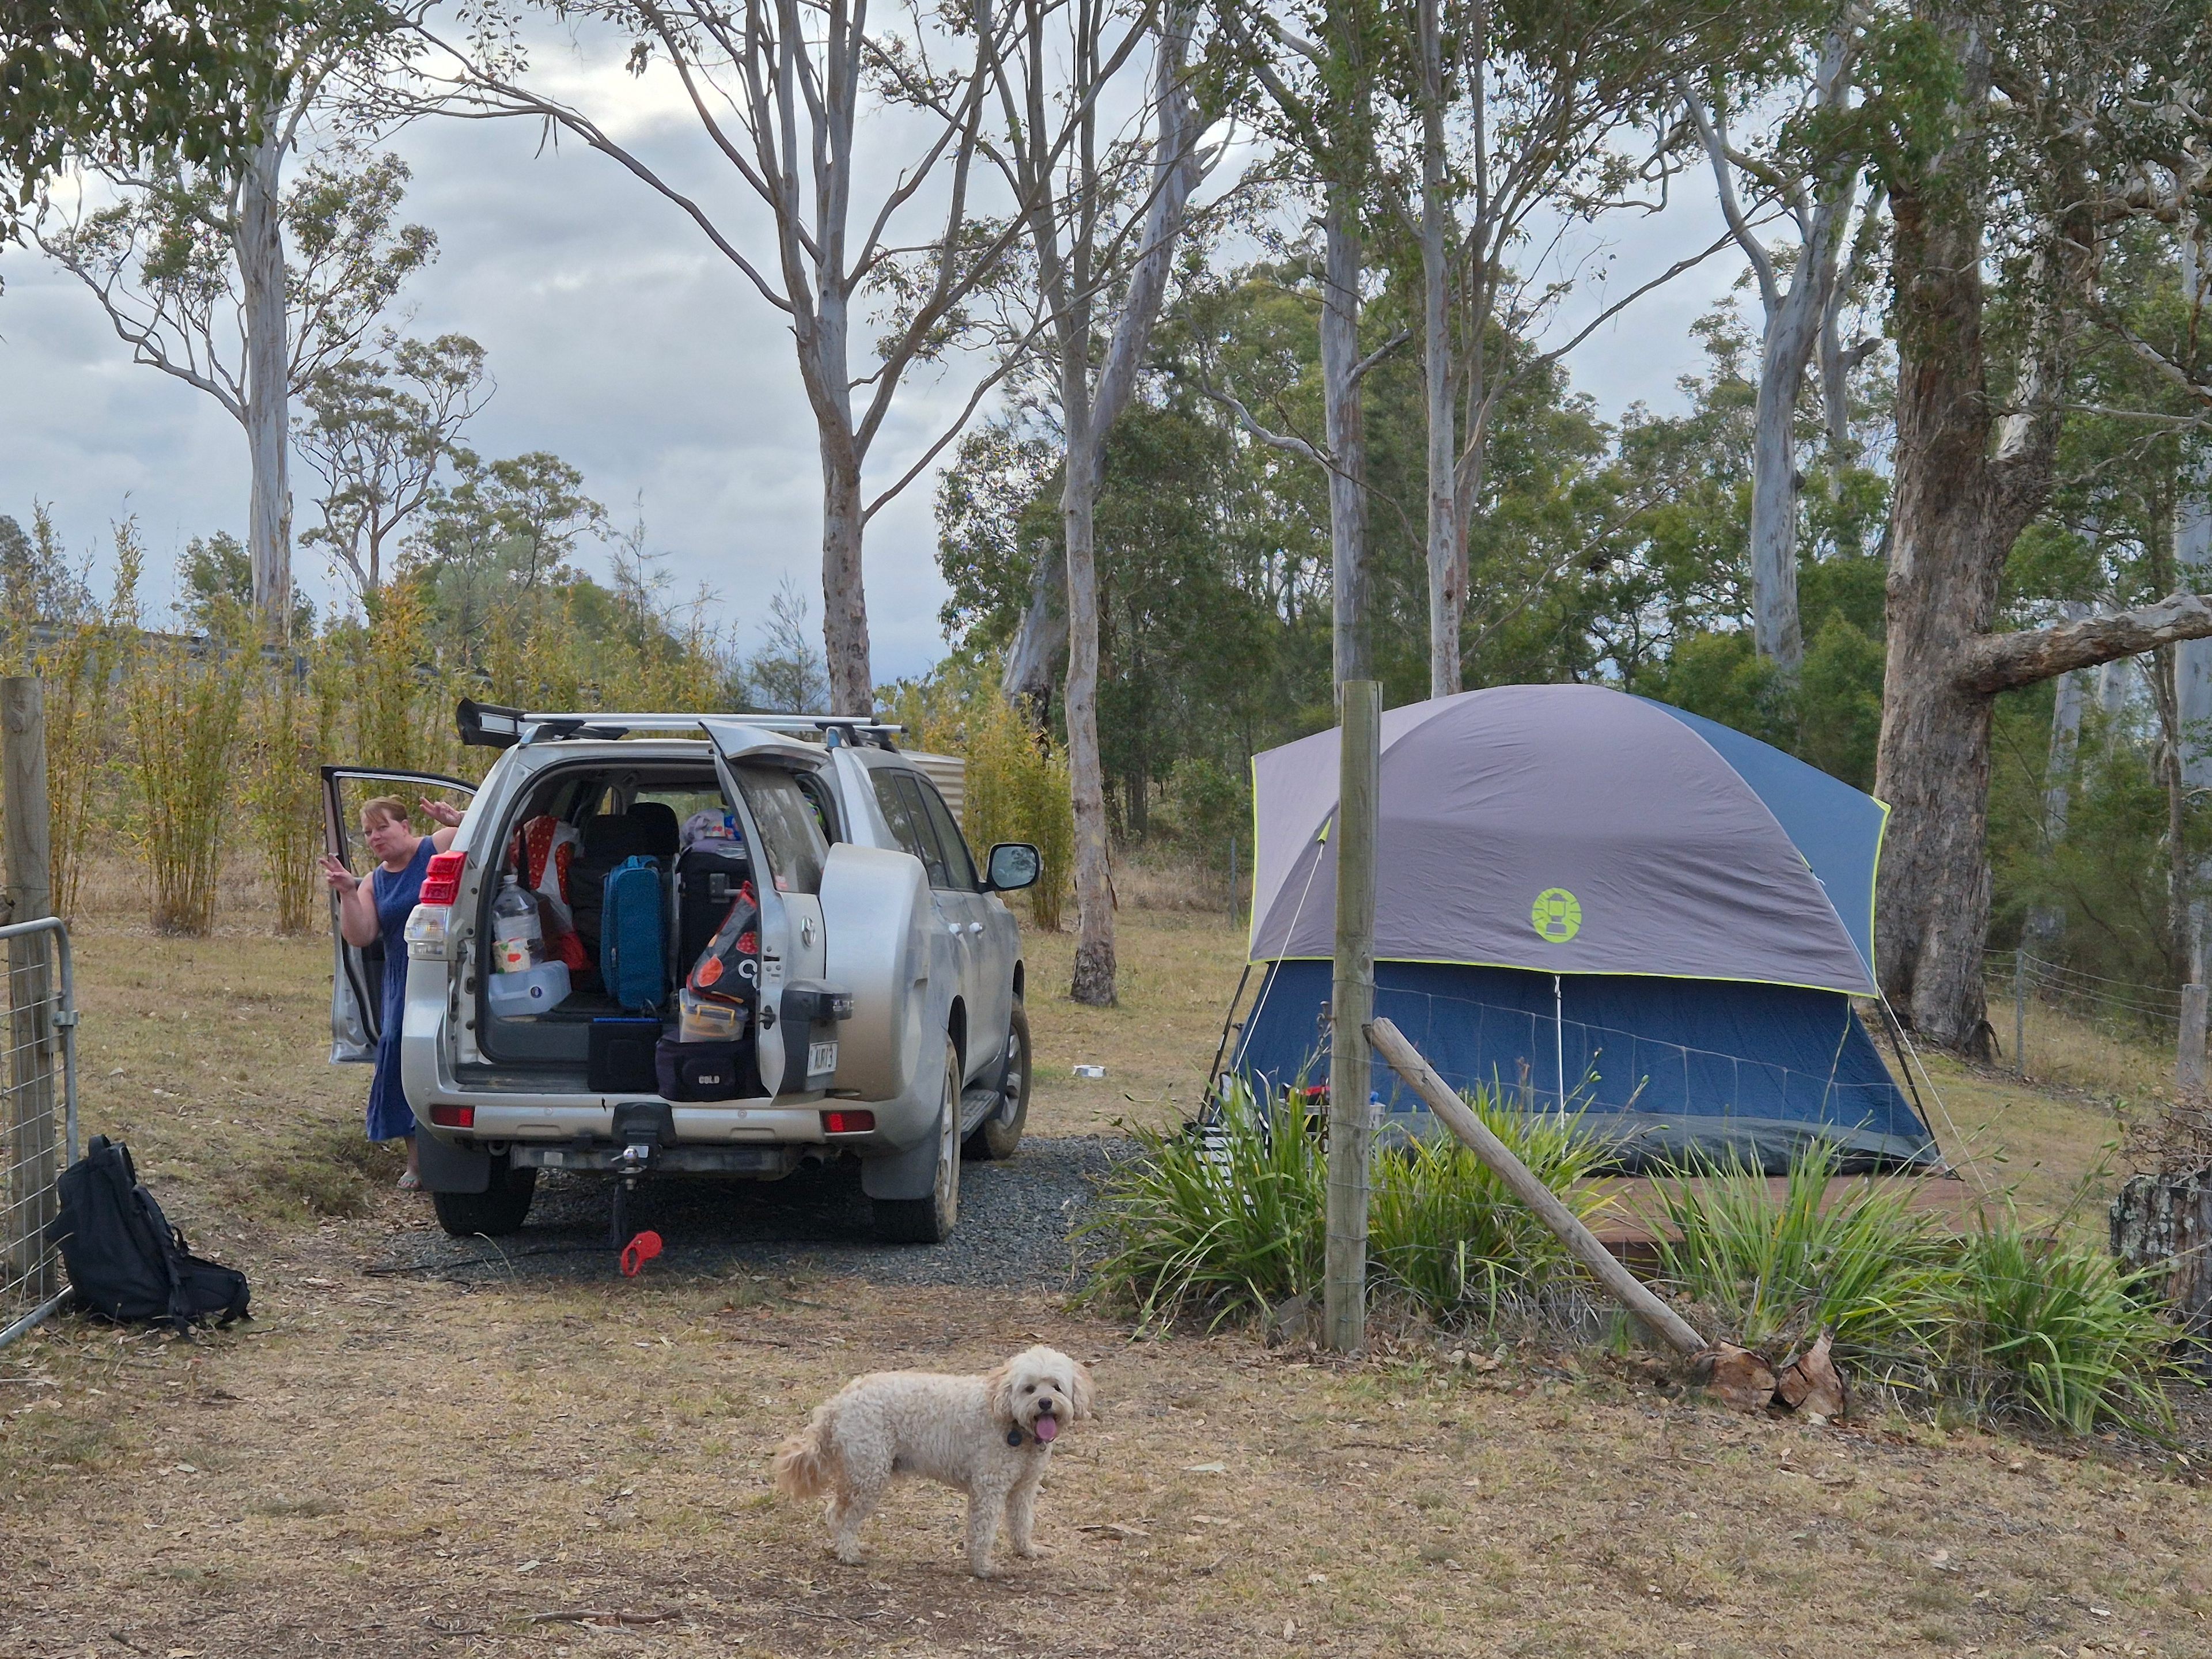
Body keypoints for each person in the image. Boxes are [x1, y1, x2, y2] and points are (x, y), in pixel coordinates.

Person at [321, 796, 463, 1189]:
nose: (375, 837)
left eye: (382, 826)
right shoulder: (374, 881)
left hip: (457, 965)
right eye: (368, 832)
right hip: (406, 979)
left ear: (405, 825)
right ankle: (418, 1165)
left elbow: (485, 836)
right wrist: (348, 892)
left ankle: (460, 1149)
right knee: (404, 1059)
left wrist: (458, 817)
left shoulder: (438, 845)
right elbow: (361, 934)